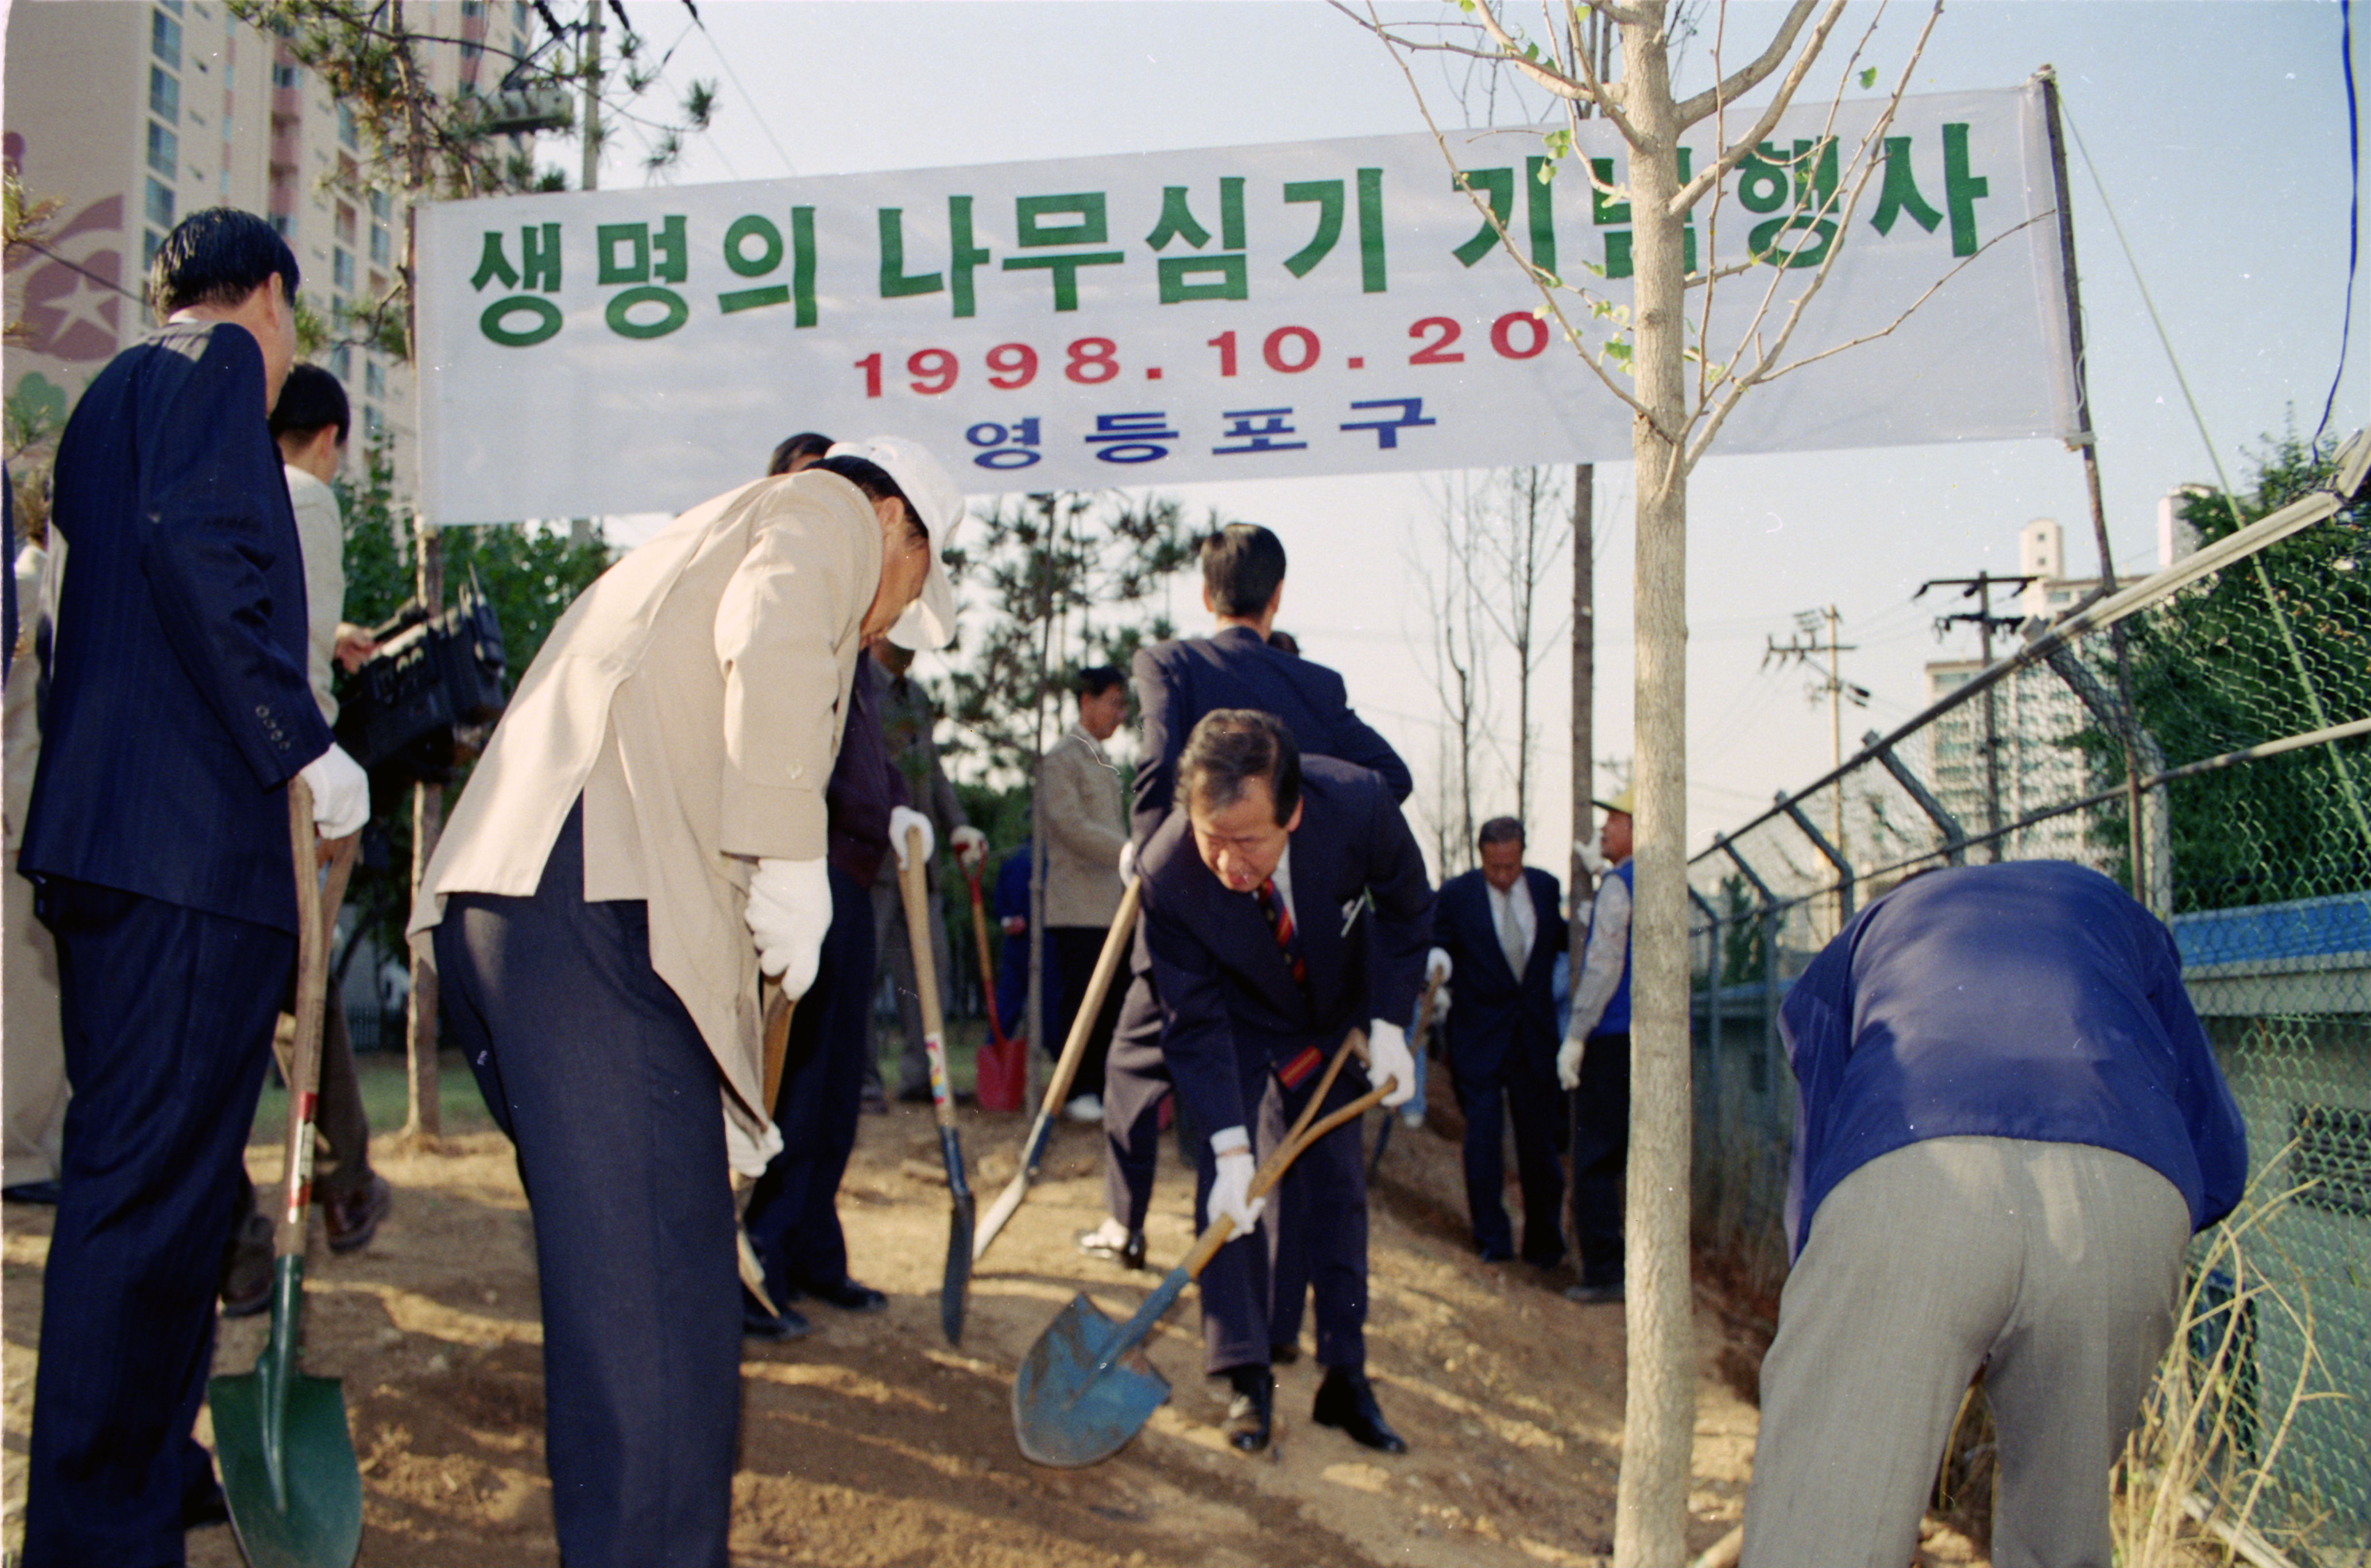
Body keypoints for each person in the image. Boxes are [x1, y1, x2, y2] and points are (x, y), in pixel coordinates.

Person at [411, 442, 954, 1568]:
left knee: (647, 1308)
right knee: (662, 1345)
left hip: (532, 915)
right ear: (898, 525)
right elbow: (775, 630)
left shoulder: (696, 537)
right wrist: (793, 852)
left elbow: (686, 806)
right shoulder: (822, 512)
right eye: (909, 594)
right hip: (587, 918)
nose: (883, 630)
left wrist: (728, 1106)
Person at [17, 207, 372, 1566]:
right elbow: (194, 551)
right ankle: (95, 1529)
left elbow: (95, 617)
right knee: (138, 1208)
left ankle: (149, 1466)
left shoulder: (109, 395)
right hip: (182, 866)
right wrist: (303, 735)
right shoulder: (215, 371)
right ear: (267, 295)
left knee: (155, 1199)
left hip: (112, 851)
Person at [1739, 860, 2248, 1568]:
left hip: (1915, 1178)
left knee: (1820, 1539)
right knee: (2059, 1539)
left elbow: (1823, 1145)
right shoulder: (2106, 907)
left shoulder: (1866, 934)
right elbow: (2217, 1159)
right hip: (2129, 1196)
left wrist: (1844, 1308)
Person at [1086, 523, 1411, 1271]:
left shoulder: (1169, 661)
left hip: (1194, 897)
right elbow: (1389, 780)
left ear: (1206, 594)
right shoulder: (1315, 684)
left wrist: (1153, 845)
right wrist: (1312, 831)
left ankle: (1124, 1224)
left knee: (1137, 1055)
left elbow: (1157, 760)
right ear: (1277, 596)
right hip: (1288, 921)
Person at [1138, 710, 1431, 1456]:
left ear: (1292, 812)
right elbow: (1191, 1019)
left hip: (1329, 1015)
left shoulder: (1359, 805)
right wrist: (1232, 1147)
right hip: (1233, 1015)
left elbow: (1406, 904)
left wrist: (1391, 1020)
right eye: (1214, 839)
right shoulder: (1169, 871)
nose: (1231, 863)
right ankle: (1245, 1373)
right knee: (1230, 1194)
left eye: (1249, 842)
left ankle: (1344, 1374)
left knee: (1337, 1190)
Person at [740, 433, 954, 1341]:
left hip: (853, 877)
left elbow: (864, 753)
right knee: (785, 1091)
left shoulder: (852, 634)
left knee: (832, 1094)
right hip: (799, 875)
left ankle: (813, 1252)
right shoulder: (786, 596)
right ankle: (759, 1266)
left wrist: (899, 808)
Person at [267, 362, 388, 1253]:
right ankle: (341, 1180)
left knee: (288, 984)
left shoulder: (242, 485)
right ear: (330, 437)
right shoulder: (309, 497)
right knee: (298, 979)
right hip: (287, 777)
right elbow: (294, 657)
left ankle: (344, 1174)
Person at [1432, 816, 1568, 1267]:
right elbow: (1435, 940)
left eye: (1511, 866)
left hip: (1533, 1038)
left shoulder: (1547, 889)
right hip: (1478, 1038)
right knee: (1484, 1141)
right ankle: (1492, 1240)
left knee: (1539, 1146)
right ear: (1482, 857)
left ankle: (1544, 1244)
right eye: (1494, 867)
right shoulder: (1456, 895)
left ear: (1522, 856)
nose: (1503, 876)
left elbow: (1560, 940)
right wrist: (1437, 962)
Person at [868, 628, 988, 1104]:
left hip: (922, 862)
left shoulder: (915, 695)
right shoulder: (856, 685)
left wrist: (958, 825)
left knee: (928, 974)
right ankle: (863, 1085)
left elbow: (932, 771)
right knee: (865, 973)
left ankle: (925, 1078)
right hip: (873, 861)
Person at [1038, 664, 1131, 1122]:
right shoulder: (1063, 758)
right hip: (1077, 905)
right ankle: (1076, 1090)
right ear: (1086, 701)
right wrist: (1129, 850)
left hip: (1109, 905)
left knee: (1111, 1001)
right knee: (1080, 1002)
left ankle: (1097, 1086)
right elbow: (1071, 826)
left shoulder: (1100, 760)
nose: (1119, 713)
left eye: (1122, 703)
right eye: (1113, 701)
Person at [1558, 787, 1634, 1304]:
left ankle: (1604, 1270)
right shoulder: (1657, 880)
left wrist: (1576, 1034)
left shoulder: (1621, 884)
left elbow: (1604, 963)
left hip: (1611, 1036)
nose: (1603, 828)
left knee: (1593, 1158)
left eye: (1614, 818)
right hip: (1652, 1038)